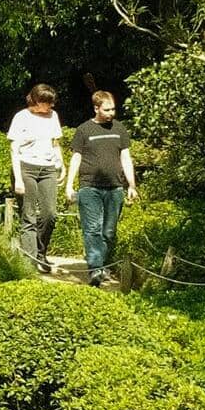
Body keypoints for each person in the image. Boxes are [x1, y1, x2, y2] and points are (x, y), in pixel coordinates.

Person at [66, 90, 138, 286]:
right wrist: (69, 184)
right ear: (96, 108)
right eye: (107, 109)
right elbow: (76, 157)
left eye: (113, 109)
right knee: (93, 229)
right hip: (89, 187)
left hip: (115, 187)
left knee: (109, 231)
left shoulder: (120, 129)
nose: (111, 113)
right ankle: (95, 269)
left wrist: (131, 185)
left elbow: (126, 158)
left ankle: (101, 264)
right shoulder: (84, 130)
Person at [7, 83, 64, 273]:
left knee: (50, 214)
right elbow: (14, 150)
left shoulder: (53, 116)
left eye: (51, 103)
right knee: (29, 215)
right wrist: (19, 179)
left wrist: (62, 164)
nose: (50, 106)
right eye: (46, 103)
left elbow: (55, 143)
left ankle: (41, 251)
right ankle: (29, 260)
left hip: (48, 168)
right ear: (36, 101)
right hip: (26, 167)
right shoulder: (21, 117)